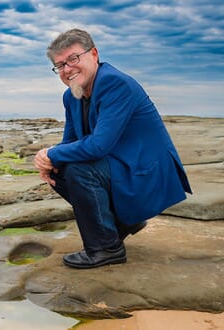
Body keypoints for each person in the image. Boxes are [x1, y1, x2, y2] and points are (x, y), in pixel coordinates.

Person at [34, 29, 191, 269]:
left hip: (147, 172)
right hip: (122, 166)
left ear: (94, 54)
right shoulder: (71, 95)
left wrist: (50, 153)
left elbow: (98, 145)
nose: (67, 69)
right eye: (60, 65)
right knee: (60, 169)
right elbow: (70, 141)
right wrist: (49, 162)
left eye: (73, 59)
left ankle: (106, 248)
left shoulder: (113, 82)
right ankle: (123, 223)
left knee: (79, 170)